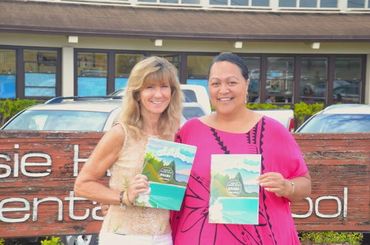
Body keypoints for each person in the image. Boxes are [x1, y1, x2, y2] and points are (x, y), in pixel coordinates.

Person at [171, 52, 311, 244]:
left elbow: (305, 184)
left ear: (246, 84)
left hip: (263, 238)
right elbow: (167, 191)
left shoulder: (273, 131)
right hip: (199, 237)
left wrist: (287, 186)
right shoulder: (189, 131)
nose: (223, 90)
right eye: (215, 83)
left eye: (231, 82)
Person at [74, 56, 183, 245]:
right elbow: (82, 184)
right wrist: (123, 196)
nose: (158, 94)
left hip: (164, 237)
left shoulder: (176, 134)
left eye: (164, 86)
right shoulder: (121, 133)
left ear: (172, 92)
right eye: (149, 87)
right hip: (123, 237)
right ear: (137, 93)